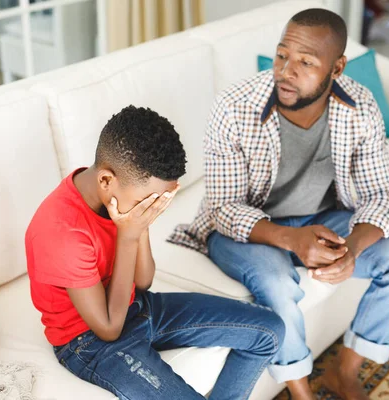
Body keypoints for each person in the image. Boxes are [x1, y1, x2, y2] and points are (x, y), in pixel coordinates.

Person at [169, 8, 389, 400]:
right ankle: (300, 391)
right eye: (282, 55)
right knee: (274, 282)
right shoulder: (234, 107)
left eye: (306, 62)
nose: (286, 71)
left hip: (326, 220)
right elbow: (223, 208)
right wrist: (292, 240)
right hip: (246, 230)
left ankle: (344, 374)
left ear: (337, 68)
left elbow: (381, 194)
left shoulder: (359, 106)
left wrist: (352, 251)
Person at [25, 105, 285, 400]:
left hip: (136, 307)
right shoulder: (64, 232)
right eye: (147, 201)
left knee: (269, 330)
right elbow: (109, 328)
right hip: (88, 341)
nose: (151, 208)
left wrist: (142, 224)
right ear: (106, 180)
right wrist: (128, 235)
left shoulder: (119, 196)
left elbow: (143, 281)